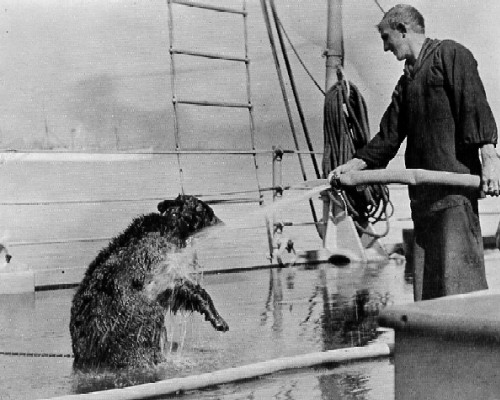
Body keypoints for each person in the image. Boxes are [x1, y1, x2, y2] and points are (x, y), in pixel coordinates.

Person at [329, 4, 500, 301]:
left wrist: (490, 161)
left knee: (460, 291)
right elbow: (388, 137)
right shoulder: (406, 82)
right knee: (427, 294)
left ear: (402, 30)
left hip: (453, 197)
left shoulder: (450, 54)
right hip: (422, 203)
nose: (385, 47)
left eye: (386, 37)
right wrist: (352, 166)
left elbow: (473, 105)